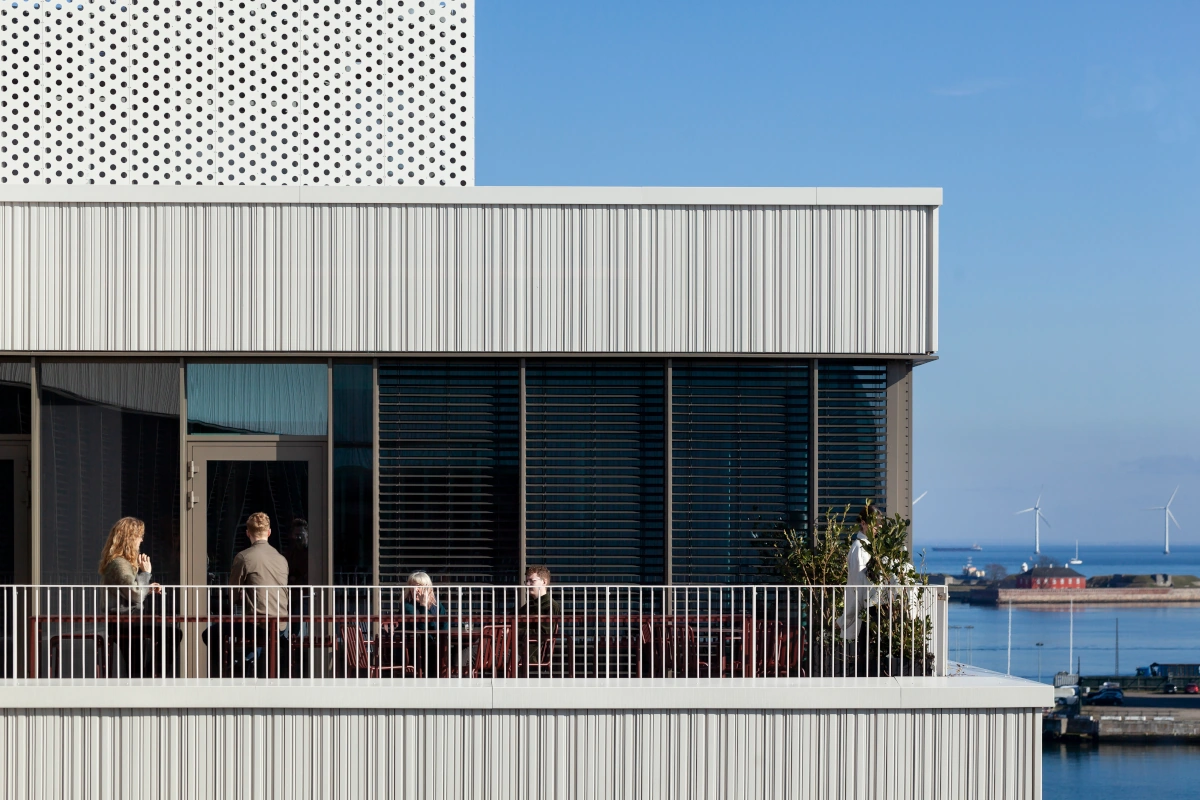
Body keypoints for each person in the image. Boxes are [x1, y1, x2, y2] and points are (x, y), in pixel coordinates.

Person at [208, 512, 290, 677]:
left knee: (211, 633)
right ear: (269, 532)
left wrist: (237, 601)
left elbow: (233, 593)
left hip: (257, 624)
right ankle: (246, 663)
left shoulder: (244, 557)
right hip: (280, 624)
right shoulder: (282, 559)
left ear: (247, 533)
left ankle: (224, 672)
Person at [98, 517, 169, 677]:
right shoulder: (119, 564)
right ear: (130, 538)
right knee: (169, 636)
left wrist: (147, 588)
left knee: (137, 661)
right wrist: (146, 573)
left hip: (128, 621)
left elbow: (130, 590)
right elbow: (135, 594)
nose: (142, 540)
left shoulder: (120, 563)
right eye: (139, 535)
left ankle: (147, 676)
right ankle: (150, 676)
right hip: (125, 622)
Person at [517, 565, 562, 675]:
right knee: (477, 647)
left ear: (544, 582)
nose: (527, 585)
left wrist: (513, 632)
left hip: (525, 652)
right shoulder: (528, 606)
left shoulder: (550, 606)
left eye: (531, 581)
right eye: (526, 581)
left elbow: (543, 633)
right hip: (511, 647)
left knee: (472, 653)